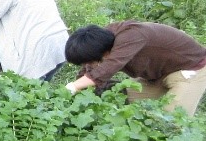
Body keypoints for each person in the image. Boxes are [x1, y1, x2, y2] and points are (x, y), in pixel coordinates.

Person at [64, 22, 206, 115]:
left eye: (90, 61)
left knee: (171, 120)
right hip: (156, 75)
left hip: (190, 71)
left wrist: (73, 86)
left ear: (104, 53)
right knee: (120, 98)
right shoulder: (99, 42)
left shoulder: (131, 35)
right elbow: (89, 69)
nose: (89, 65)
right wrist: (76, 92)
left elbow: (110, 65)